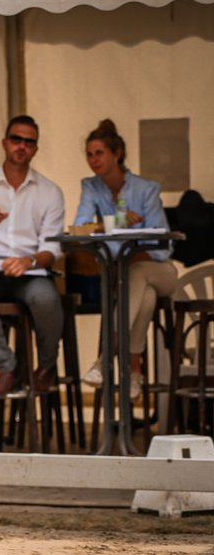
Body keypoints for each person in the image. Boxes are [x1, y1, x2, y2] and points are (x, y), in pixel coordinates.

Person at [0, 116, 65, 398]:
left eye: (29, 141)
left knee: (46, 298)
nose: (21, 146)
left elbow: (52, 250)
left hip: (30, 274)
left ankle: (45, 369)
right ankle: (8, 367)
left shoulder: (50, 192)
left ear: (36, 148)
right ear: (5, 143)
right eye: (16, 139)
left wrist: (28, 260)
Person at [75, 118, 178, 398]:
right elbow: (80, 228)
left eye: (99, 153)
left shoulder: (146, 189)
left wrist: (128, 248)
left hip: (161, 271)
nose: (93, 160)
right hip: (126, 278)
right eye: (89, 154)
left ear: (116, 153)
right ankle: (134, 370)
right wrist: (116, 222)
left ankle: (104, 360)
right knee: (144, 298)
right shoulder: (91, 186)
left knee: (138, 273)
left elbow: (161, 248)